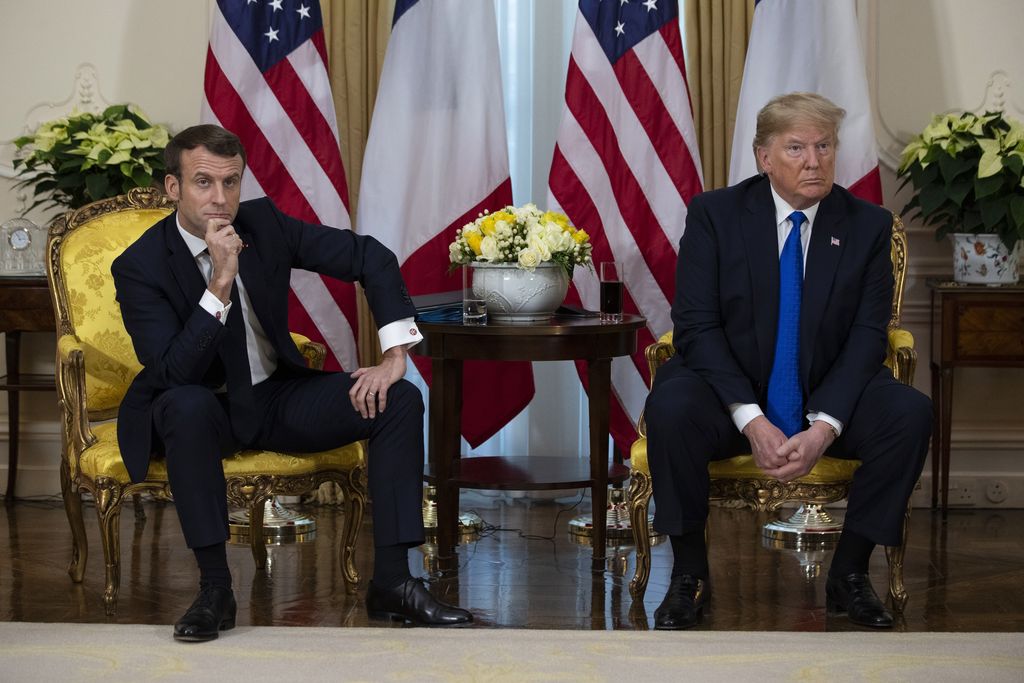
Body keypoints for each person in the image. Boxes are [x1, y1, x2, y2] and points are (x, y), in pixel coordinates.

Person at [112, 124, 472, 642]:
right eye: (203, 183)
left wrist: (395, 355)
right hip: (204, 407)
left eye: (230, 182)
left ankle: (394, 582)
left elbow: (371, 256)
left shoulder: (263, 224)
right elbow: (172, 372)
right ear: (173, 189)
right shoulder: (141, 265)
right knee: (184, 405)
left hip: (274, 397)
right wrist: (219, 281)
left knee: (399, 399)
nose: (221, 199)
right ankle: (216, 590)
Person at [644, 92, 930, 630]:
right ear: (763, 157)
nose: (814, 160)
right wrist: (751, 420)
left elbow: (869, 337)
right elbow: (697, 328)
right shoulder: (716, 214)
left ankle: (849, 573)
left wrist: (824, 428)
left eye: (824, 146)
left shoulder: (866, 225)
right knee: (672, 404)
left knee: (908, 413)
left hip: (826, 392)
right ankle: (689, 575)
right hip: (732, 394)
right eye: (796, 147)